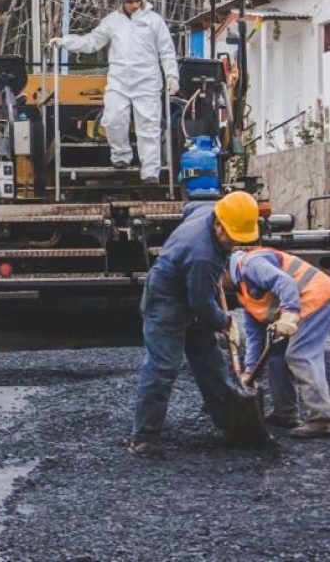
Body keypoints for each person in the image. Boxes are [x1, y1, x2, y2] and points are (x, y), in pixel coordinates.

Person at [129, 191, 260, 457]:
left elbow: (189, 207)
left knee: (209, 359)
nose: (234, 244)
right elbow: (200, 303)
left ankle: (230, 423)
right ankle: (143, 438)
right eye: (231, 238)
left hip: (191, 285)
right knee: (163, 366)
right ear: (218, 225)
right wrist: (225, 321)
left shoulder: (208, 210)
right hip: (166, 298)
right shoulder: (202, 255)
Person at [49, 0, 179, 184]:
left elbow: (167, 50)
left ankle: (150, 171)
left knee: (149, 126)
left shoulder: (154, 21)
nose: (134, 5)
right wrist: (65, 42)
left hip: (147, 82)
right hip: (119, 81)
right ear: (122, 2)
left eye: (137, 1)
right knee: (113, 119)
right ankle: (121, 156)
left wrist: (172, 75)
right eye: (130, 2)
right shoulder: (112, 22)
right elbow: (92, 41)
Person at [226, 247, 330, 438]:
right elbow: (254, 336)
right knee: (277, 357)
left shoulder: (250, 264)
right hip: (299, 304)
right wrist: (249, 371)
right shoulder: (243, 290)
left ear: (223, 271)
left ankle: (322, 419)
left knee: (300, 354)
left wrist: (290, 312)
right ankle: (285, 414)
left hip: (316, 297)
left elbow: (286, 282)